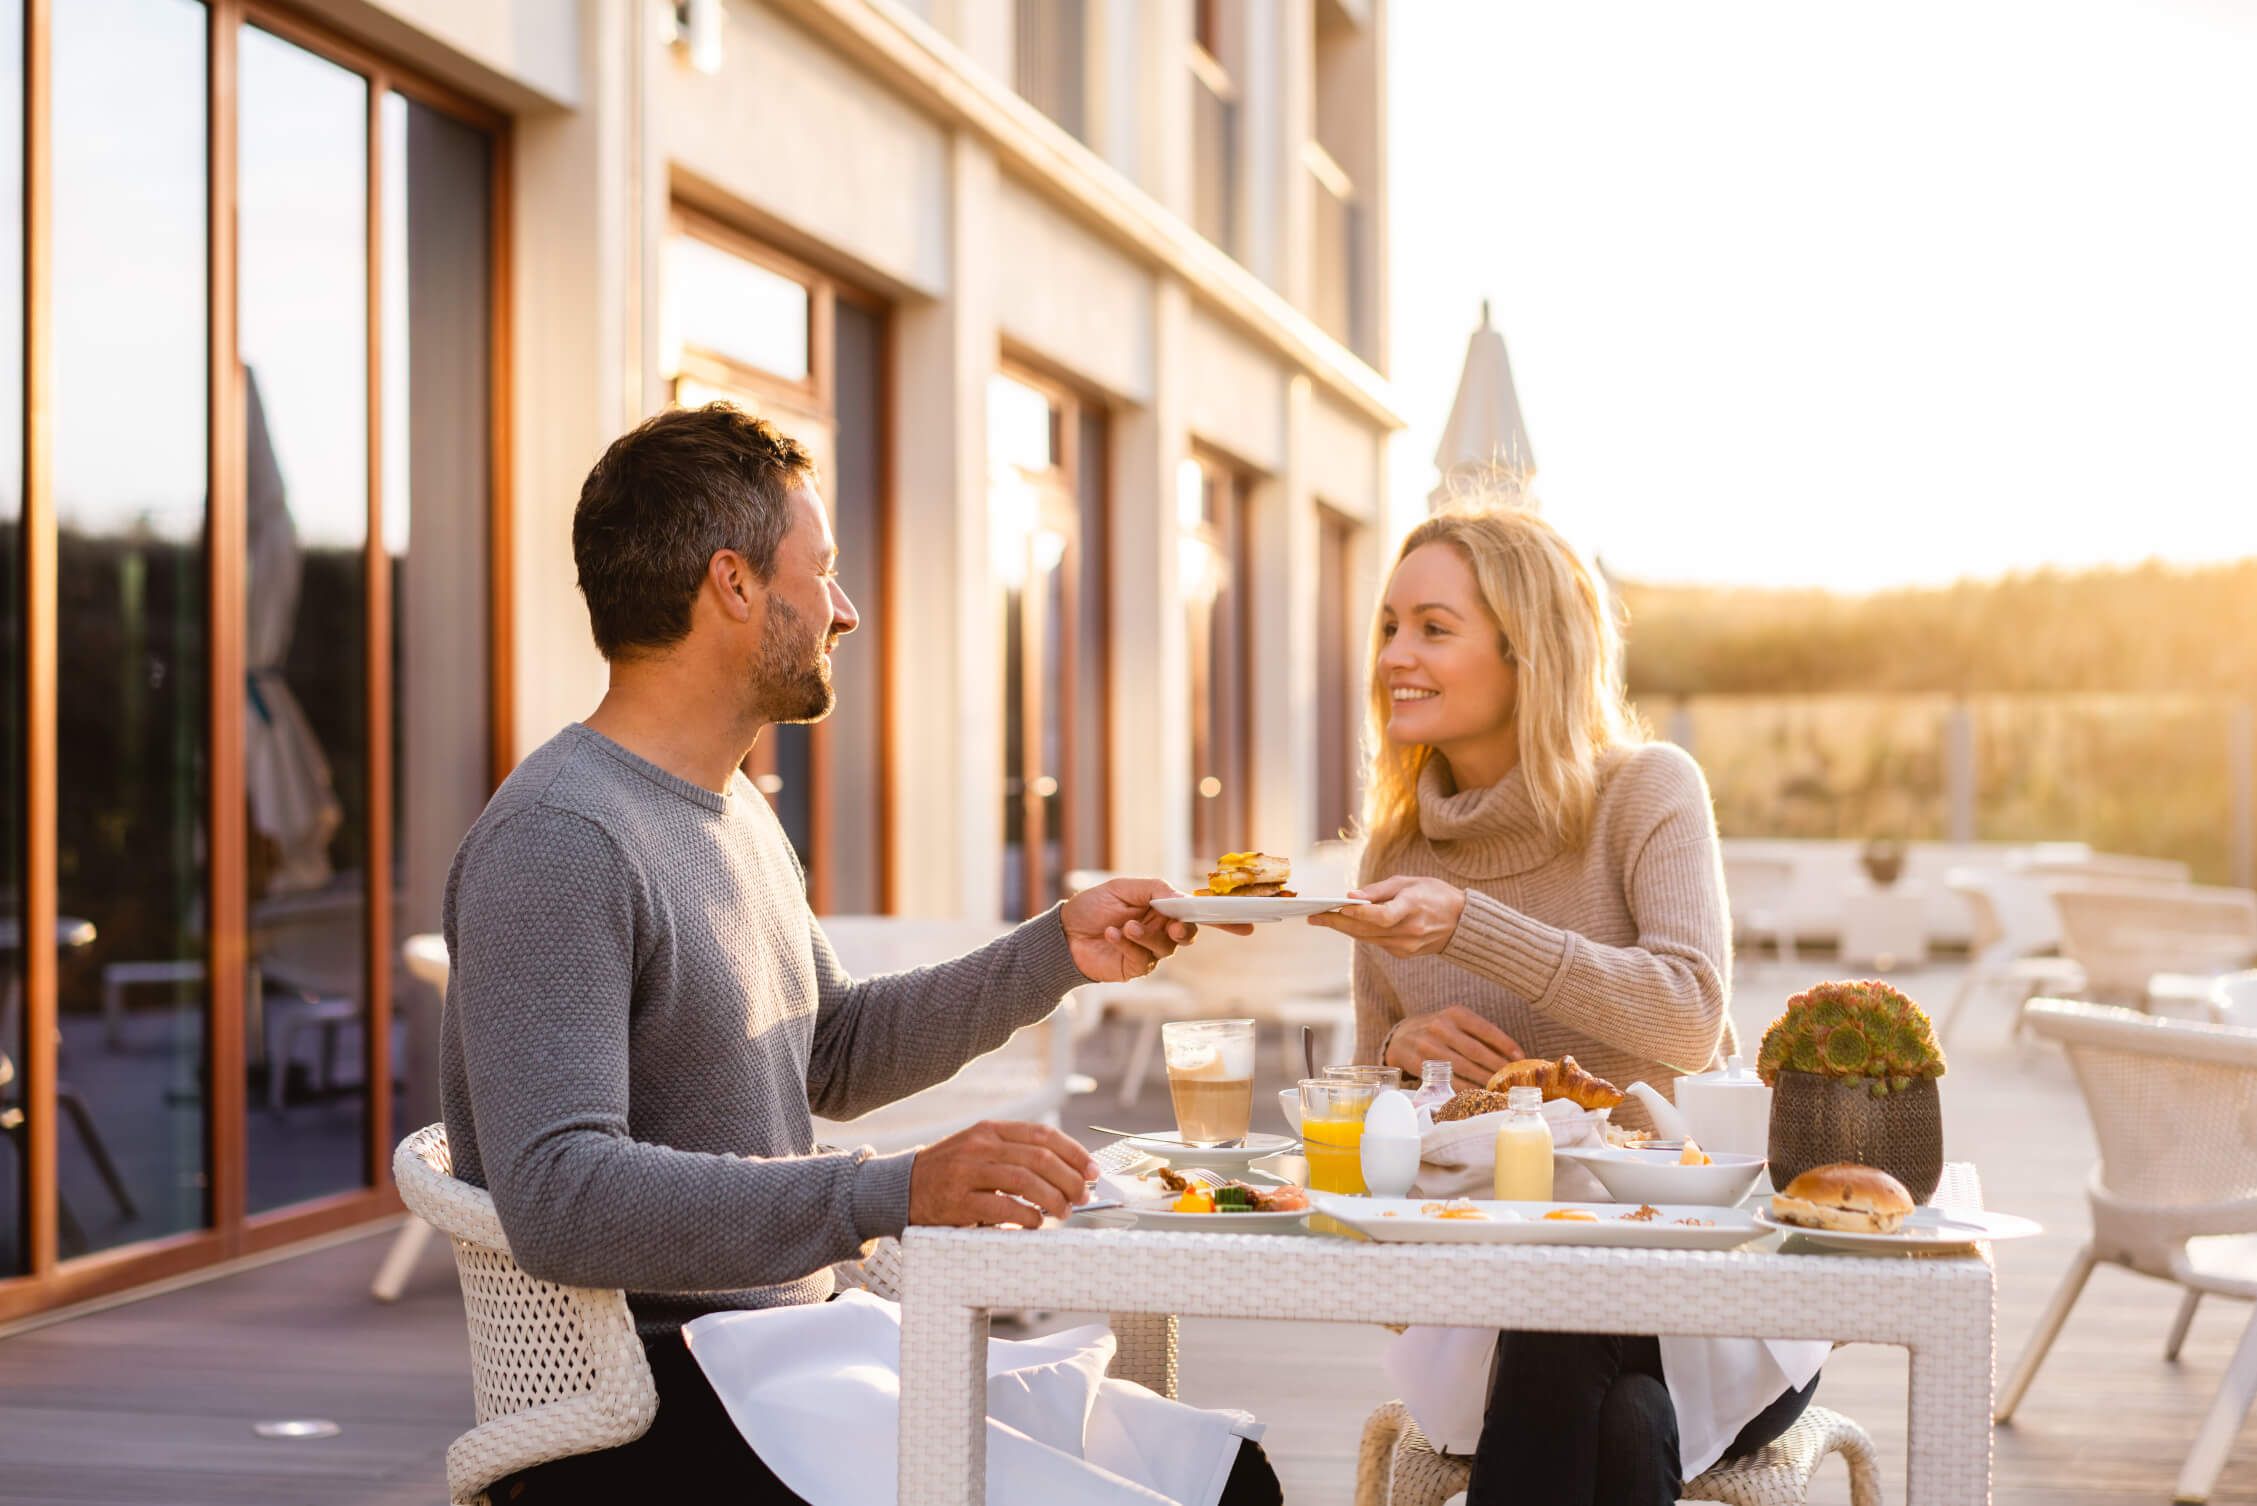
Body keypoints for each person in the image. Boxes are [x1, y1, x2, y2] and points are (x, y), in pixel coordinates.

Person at [442, 404, 1279, 1503]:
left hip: (798, 1355)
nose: (842, 610)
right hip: (655, 1406)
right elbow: (561, 1195)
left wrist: (1056, 952)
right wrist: (890, 1191)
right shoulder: (559, 838)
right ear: (733, 584)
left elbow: (828, 1052)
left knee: (1229, 1476)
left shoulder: (726, 810)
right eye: (821, 570)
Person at [1309, 498, 1817, 1505]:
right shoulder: (1395, 851)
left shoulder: (1647, 792)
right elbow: (1368, 1138)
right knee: (1621, 1416)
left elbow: (1688, 1017)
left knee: (1562, 1313)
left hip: (1690, 1284)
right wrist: (1404, 1057)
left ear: (1527, 650)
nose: (1394, 655)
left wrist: (1473, 926)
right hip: (1487, 1297)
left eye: (1433, 628)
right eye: (1387, 627)